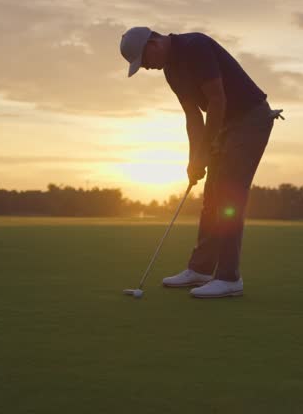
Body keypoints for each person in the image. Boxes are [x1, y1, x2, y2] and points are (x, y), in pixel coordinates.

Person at [119, 27, 284, 299]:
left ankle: (230, 278)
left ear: (154, 43)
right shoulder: (171, 71)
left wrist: (206, 149)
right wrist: (194, 159)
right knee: (212, 196)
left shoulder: (195, 46)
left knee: (229, 195)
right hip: (224, 125)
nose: (146, 68)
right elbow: (193, 116)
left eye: (144, 60)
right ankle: (201, 269)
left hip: (251, 119)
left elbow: (218, 100)